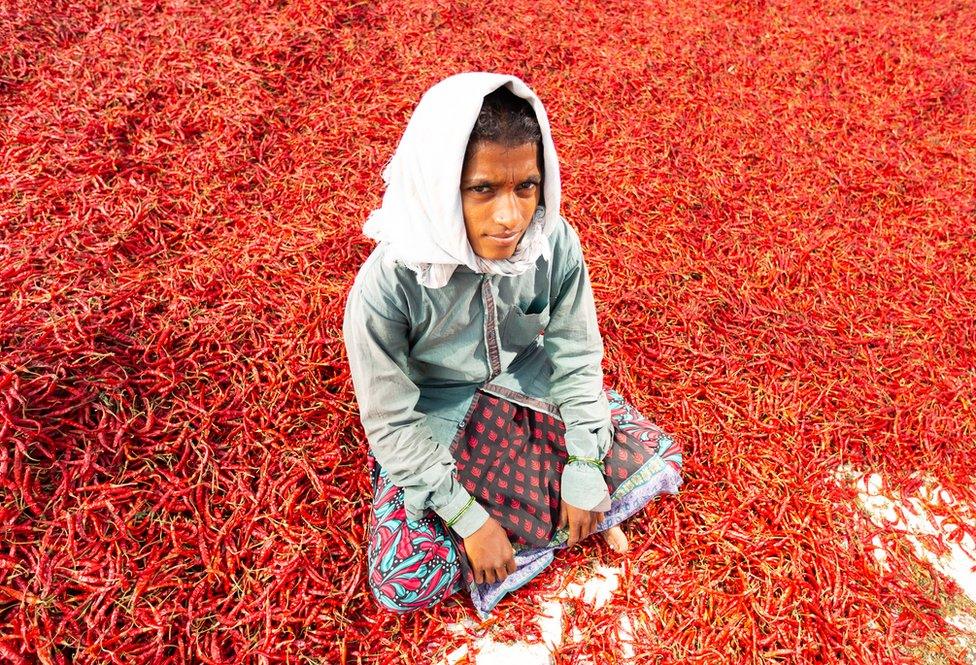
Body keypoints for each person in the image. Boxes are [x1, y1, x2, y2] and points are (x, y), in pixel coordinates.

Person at [342, 72, 682, 618]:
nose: (510, 217)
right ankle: (527, 527)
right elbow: (389, 420)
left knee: (657, 454)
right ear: (440, 186)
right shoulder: (389, 283)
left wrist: (584, 463)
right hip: (440, 421)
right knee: (400, 579)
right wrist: (467, 519)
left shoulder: (552, 241)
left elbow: (575, 351)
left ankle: (535, 526)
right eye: (482, 189)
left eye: (526, 186)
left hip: (530, 387)